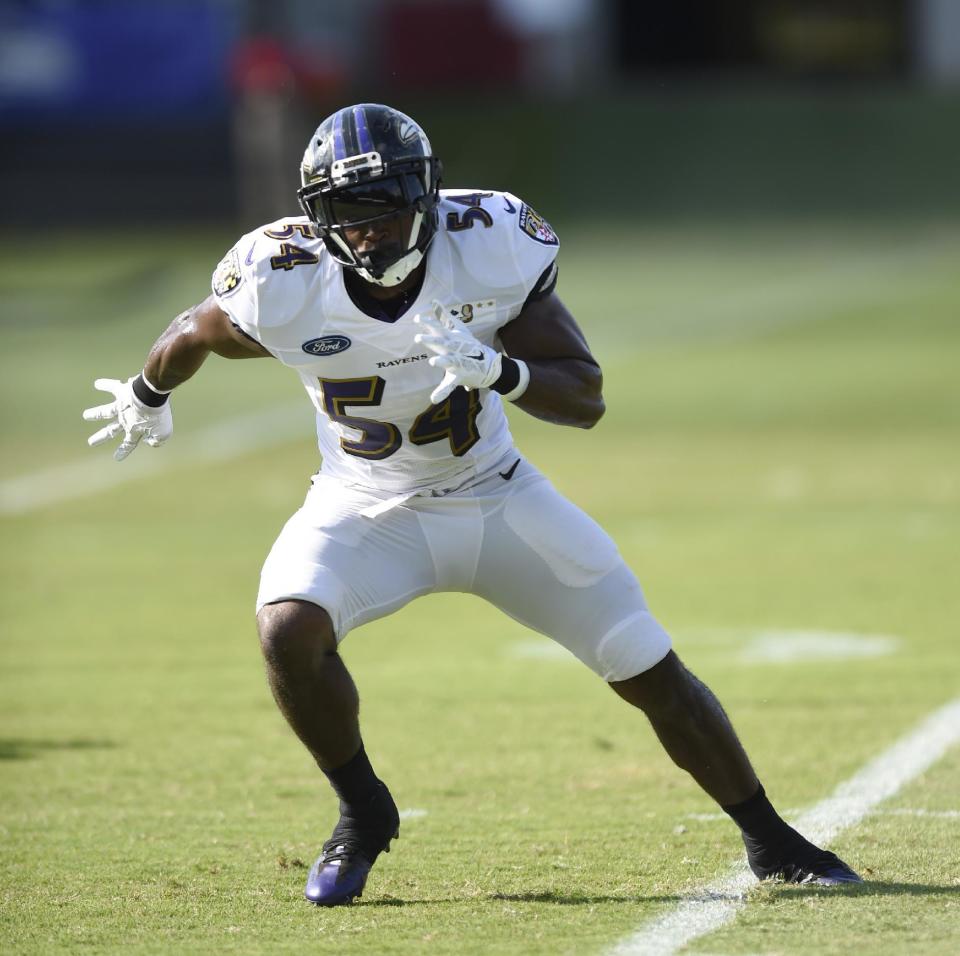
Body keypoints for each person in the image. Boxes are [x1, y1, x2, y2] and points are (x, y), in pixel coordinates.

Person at [83, 104, 861, 906]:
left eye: (386, 207)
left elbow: (585, 398)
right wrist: (147, 392)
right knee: (287, 629)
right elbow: (196, 330)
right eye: (350, 213)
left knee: (645, 665)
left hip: (497, 496)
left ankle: (773, 839)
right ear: (319, 220)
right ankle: (362, 812)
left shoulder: (490, 246)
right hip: (364, 505)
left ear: (426, 199)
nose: (371, 230)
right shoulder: (280, 277)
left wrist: (504, 373)